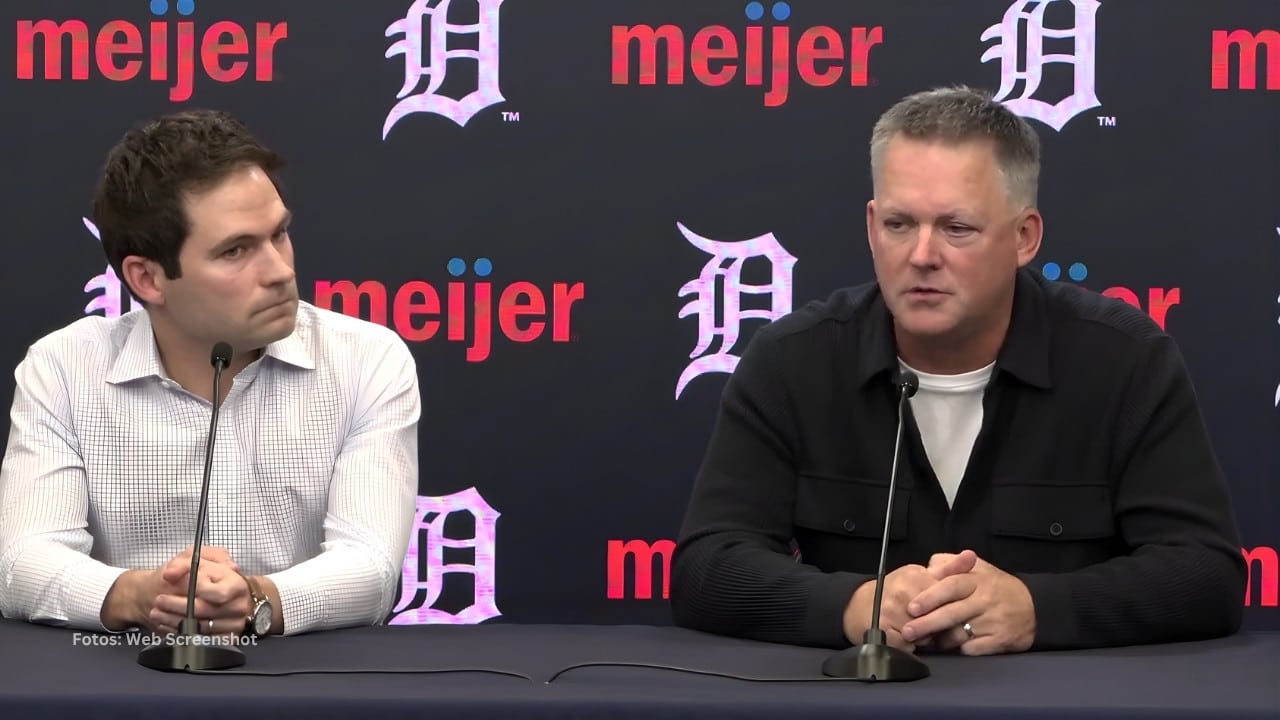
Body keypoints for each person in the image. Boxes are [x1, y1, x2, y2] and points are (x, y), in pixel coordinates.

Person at [669, 86, 1246, 655]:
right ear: (871, 226)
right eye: (899, 224)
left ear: (1024, 237)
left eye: (956, 228)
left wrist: (1040, 610)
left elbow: (1205, 573)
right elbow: (707, 566)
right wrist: (853, 607)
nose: (921, 255)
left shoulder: (1124, 361)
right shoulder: (793, 361)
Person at [0, 110, 420, 639]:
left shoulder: (367, 360)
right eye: (236, 250)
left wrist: (256, 600)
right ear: (148, 277)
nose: (280, 271)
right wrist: (140, 595)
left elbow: (372, 567)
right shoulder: (62, 369)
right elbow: (22, 562)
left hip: (310, 688)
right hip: (120, 690)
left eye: (280, 234)